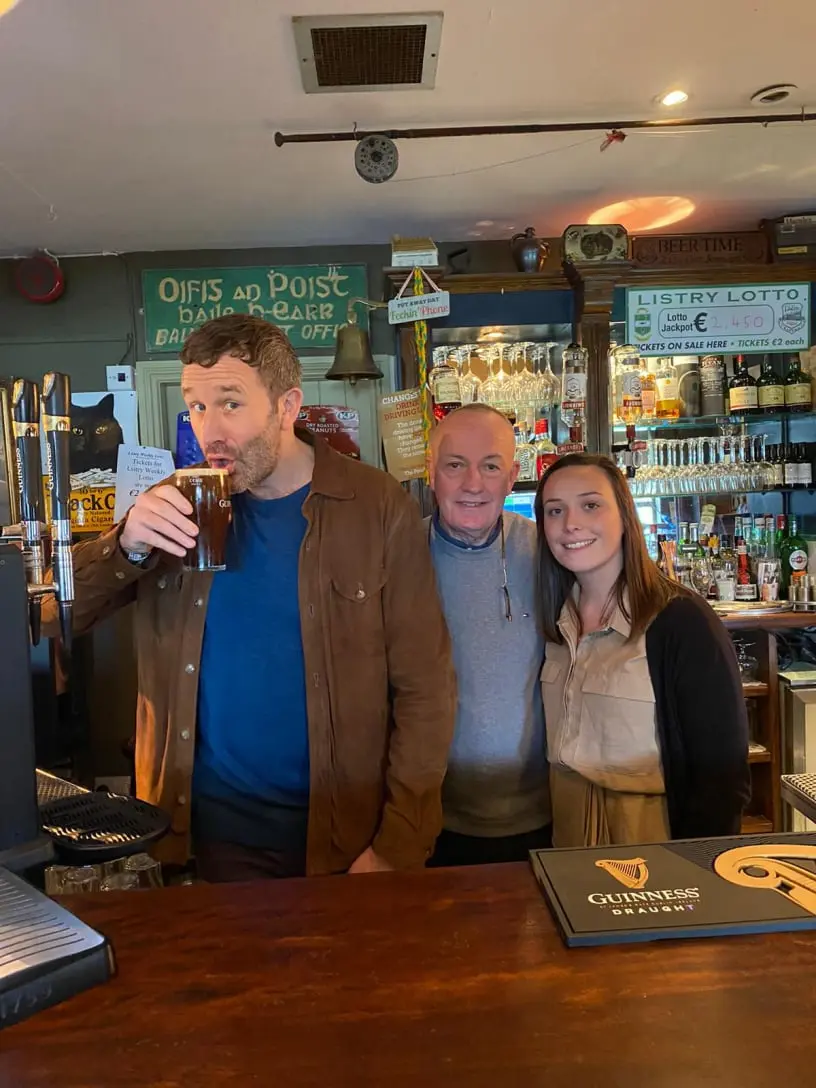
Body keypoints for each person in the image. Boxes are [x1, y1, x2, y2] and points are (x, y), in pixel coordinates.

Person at [43, 314, 456, 881]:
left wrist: (399, 843)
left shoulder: (376, 505)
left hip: (341, 842)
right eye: (196, 405)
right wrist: (127, 545)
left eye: (230, 403)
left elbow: (425, 688)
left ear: (288, 405)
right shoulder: (171, 504)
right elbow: (49, 617)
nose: (209, 429)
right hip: (196, 841)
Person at [536, 452, 750, 848]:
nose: (570, 525)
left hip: (650, 847)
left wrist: (701, 869)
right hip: (565, 844)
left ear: (625, 516)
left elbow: (722, 777)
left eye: (590, 505)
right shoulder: (554, 619)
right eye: (554, 511)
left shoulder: (681, 621)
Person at [426, 403, 551, 866]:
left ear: (513, 474)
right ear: (430, 471)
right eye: (455, 465)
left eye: (490, 466)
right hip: (429, 823)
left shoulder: (551, 552)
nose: (473, 484)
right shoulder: (398, 558)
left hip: (546, 818)